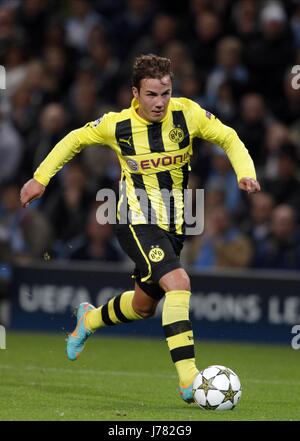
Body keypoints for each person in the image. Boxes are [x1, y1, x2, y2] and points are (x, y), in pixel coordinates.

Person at [20, 54, 260, 403]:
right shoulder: (116, 125)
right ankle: (189, 380)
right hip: (134, 219)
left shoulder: (188, 114)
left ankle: (89, 320)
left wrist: (245, 171)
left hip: (175, 224)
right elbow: (73, 139)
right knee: (179, 283)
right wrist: (39, 179)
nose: (160, 102)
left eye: (165, 93)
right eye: (151, 94)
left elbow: (229, 138)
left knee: (144, 306)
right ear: (135, 93)